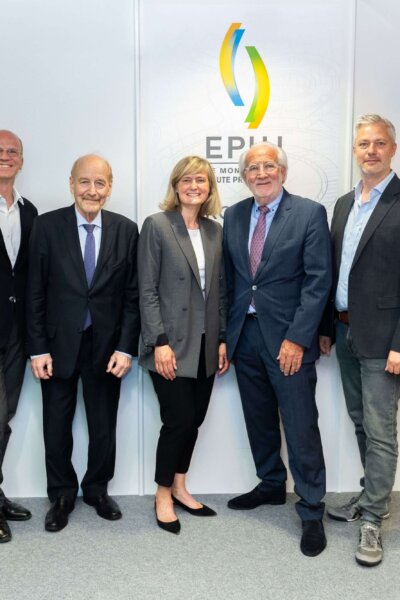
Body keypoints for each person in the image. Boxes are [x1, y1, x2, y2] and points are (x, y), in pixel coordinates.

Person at [223, 142, 331, 556]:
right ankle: (270, 483)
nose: (261, 173)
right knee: (259, 418)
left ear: (282, 172)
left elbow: (318, 280)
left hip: (289, 339)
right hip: (245, 335)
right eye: (253, 168)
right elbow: (231, 280)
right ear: (244, 176)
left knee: (301, 425)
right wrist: (226, 336)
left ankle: (311, 508)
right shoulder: (234, 215)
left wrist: (298, 337)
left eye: (269, 166)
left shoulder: (308, 213)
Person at [27, 154, 140, 532]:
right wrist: (38, 348)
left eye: (100, 183)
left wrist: (125, 347)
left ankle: (96, 489)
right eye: (85, 182)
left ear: (110, 187)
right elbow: (35, 291)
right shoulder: (46, 226)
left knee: (103, 425)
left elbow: (132, 295)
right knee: (56, 426)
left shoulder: (126, 230)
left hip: (106, 348)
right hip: (57, 346)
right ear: (72, 183)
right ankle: (61, 494)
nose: (92, 190)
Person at [320, 114, 400, 567]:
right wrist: (327, 328)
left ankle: (372, 518)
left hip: (385, 338)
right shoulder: (343, 204)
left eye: (379, 143)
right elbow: (335, 270)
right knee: (360, 421)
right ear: (355, 151)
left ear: (393, 149)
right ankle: (373, 496)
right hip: (345, 329)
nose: (371, 151)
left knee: (380, 429)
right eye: (364, 144)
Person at [138, 156, 229, 535]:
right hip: (170, 344)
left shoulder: (215, 230)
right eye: (187, 180)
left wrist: (222, 339)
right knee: (177, 421)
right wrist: (158, 341)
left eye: (201, 180)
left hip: (206, 343)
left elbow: (220, 290)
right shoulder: (157, 226)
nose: (194, 186)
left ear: (210, 188)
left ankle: (180, 486)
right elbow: (146, 289)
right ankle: (162, 494)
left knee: (195, 420)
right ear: (176, 186)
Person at [0, 130, 37, 543]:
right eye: (0, 151)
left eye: (12, 152)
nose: (6, 156)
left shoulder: (30, 211)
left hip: (16, 331)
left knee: (5, 416)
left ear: (21, 161)